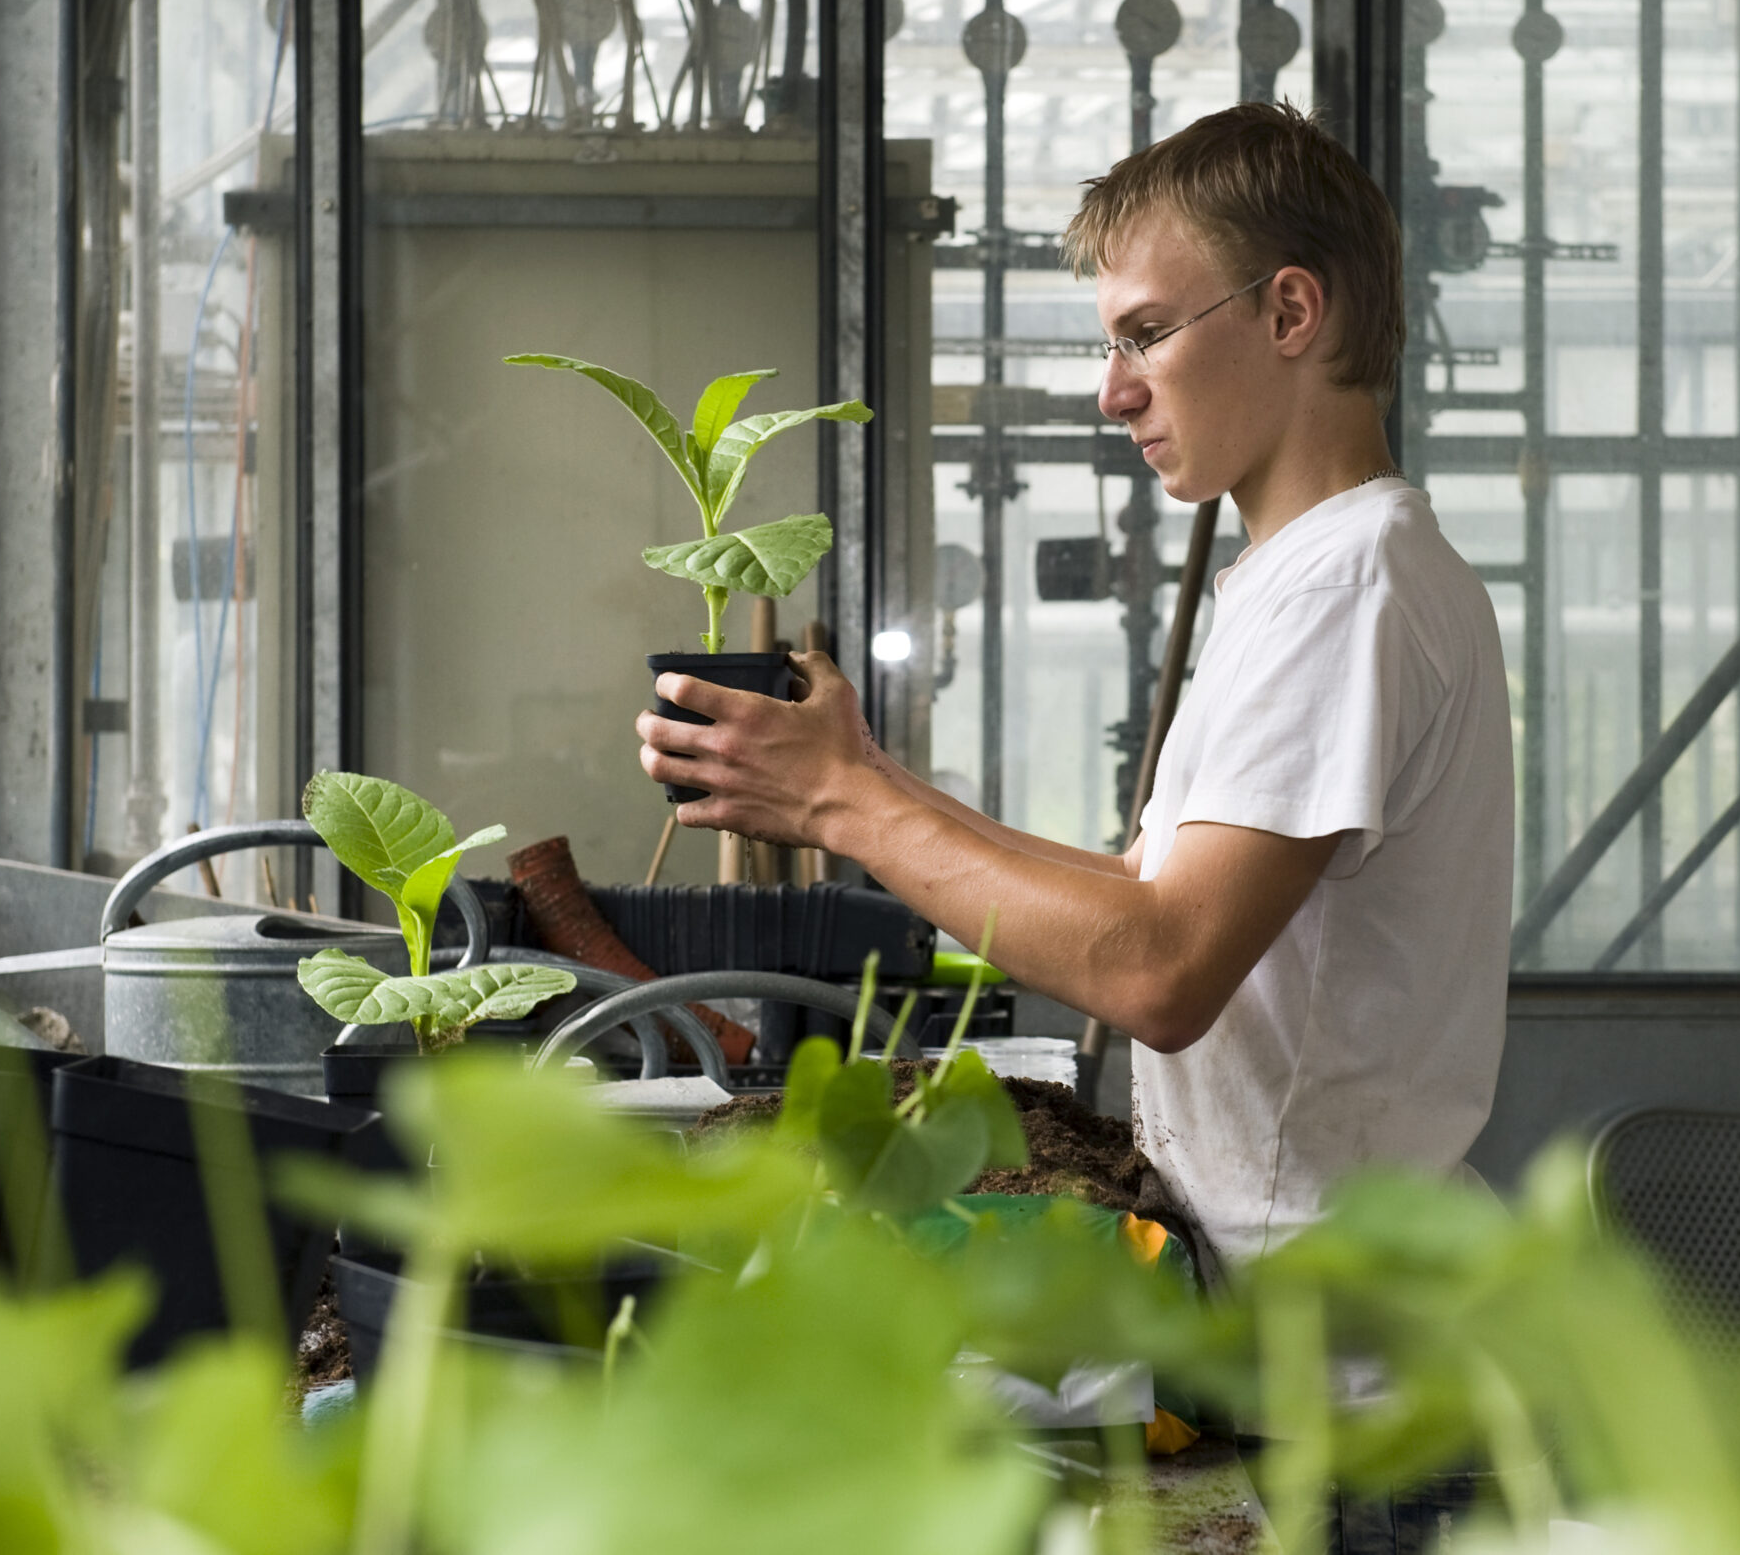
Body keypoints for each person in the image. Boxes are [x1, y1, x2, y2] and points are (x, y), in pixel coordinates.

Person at [637, 101, 1514, 1263]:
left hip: (1321, 1351)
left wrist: (839, 804)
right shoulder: (1311, 575)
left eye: (1147, 332)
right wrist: (861, 775)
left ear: (1290, 310)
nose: (1115, 391)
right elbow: (1143, 890)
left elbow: (1158, 966)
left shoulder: (1346, 589)